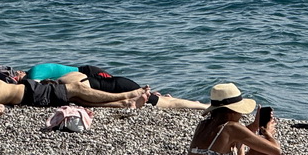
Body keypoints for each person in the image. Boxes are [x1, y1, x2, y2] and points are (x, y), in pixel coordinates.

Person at [0, 75, 150, 115]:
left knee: (79, 99)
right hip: (31, 95)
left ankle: (125, 105)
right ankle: (129, 94)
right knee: (78, 91)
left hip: (29, 89)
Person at [27, 63, 208, 110]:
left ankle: (204, 106)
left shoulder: (70, 86)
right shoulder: (68, 76)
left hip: (121, 88)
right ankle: (194, 102)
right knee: (164, 101)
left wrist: (130, 98)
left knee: (167, 105)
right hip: (119, 81)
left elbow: (98, 98)